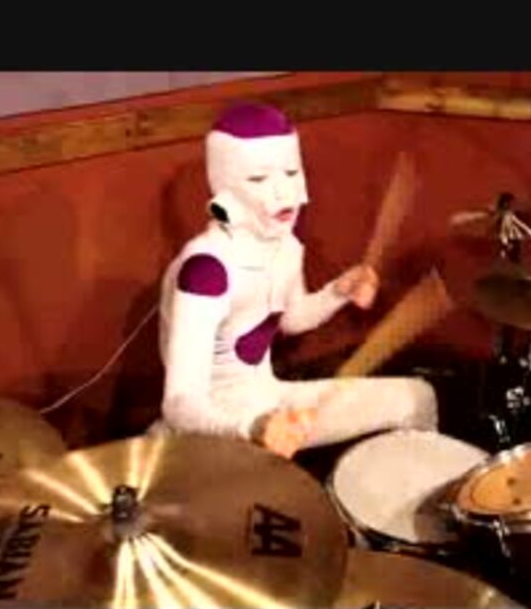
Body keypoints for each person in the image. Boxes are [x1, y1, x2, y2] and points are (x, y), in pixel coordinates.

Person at [154, 102, 438, 458]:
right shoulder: (205, 270)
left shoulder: (285, 246)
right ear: (225, 187)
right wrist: (253, 427)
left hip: (270, 400)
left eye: (290, 173)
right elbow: (179, 404)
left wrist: (339, 291)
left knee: (417, 398)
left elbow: (291, 319)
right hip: (215, 428)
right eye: (259, 179)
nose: (284, 193)